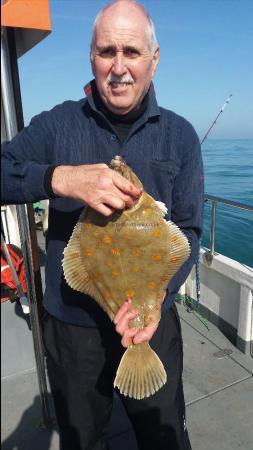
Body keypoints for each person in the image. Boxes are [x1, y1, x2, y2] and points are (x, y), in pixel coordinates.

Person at [1, 1, 204, 449]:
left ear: (154, 59)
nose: (118, 67)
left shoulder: (181, 136)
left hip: (154, 321)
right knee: (83, 440)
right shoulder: (57, 125)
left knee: (164, 438)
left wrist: (155, 303)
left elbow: (188, 232)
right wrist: (60, 178)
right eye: (105, 51)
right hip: (74, 329)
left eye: (131, 52)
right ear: (90, 56)